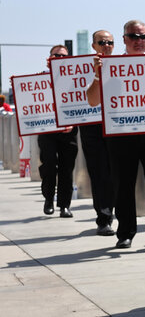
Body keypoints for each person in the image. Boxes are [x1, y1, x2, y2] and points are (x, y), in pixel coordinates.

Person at [87, 20, 145, 251]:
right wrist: (98, 76)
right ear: (124, 40)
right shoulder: (109, 66)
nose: (139, 41)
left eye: (143, 37)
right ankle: (125, 233)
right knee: (123, 184)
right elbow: (92, 100)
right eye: (133, 36)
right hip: (120, 133)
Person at [78, 30, 117, 235]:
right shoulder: (83, 67)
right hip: (92, 124)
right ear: (94, 45)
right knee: (99, 172)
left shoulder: (123, 65)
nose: (106, 45)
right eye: (102, 42)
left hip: (118, 124)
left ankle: (119, 209)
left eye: (110, 42)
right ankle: (104, 218)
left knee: (117, 171)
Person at [39, 44, 79, 218]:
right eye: (56, 56)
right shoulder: (38, 80)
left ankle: (64, 205)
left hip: (68, 131)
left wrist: (73, 121)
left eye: (64, 56)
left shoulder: (75, 80)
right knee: (48, 166)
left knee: (66, 169)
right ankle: (48, 198)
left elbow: (82, 106)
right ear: (49, 59)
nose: (60, 59)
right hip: (47, 131)